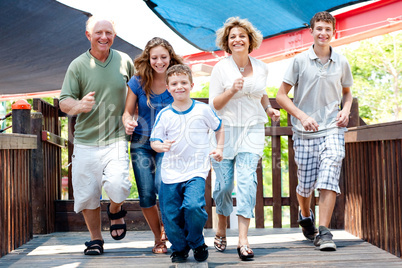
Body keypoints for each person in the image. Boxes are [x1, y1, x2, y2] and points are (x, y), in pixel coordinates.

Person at [276, 11, 353, 251]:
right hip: (304, 131)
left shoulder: (341, 61)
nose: (323, 33)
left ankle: (324, 232)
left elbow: (347, 92)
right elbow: (280, 96)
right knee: (306, 185)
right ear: (311, 31)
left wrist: (346, 109)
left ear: (333, 32)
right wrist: (302, 116)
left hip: (332, 128)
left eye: (328, 29)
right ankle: (305, 214)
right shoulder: (299, 61)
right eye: (319, 28)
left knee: (330, 171)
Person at [59, 16, 134, 255]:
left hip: (116, 138)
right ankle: (95, 239)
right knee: (88, 194)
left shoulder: (124, 60)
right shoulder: (78, 65)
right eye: (98, 32)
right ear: (88, 35)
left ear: (114, 35)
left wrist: (132, 115)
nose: (104, 37)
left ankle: (115, 209)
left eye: (109, 33)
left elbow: (136, 93)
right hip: (85, 140)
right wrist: (78, 105)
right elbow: (64, 101)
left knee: (119, 185)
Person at [209, 17, 280, 260]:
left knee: (248, 182)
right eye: (232, 37)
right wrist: (231, 90)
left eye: (242, 35)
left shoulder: (262, 67)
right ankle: (220, 227)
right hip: (224, 131)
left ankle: (243, 239)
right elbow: (214, 106)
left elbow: (261, 93)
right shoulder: (220, 68)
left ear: (250, 40)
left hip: (252, 129)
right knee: (224, 186)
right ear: (227, 43)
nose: (237, 39)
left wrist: (268, 108)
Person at [150, 64, 224, 263]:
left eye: (183, 82)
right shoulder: (164, 115)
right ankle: (180, 248)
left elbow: (219, 127)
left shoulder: (202, 109)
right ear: (168, 88)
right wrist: (160, 146)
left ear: (191, 84)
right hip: (170, 173)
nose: (179, 87)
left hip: (196, 171)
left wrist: (220, 148)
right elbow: (154, 141)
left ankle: (197, 242)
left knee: (193, 207)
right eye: (174, 83)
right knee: (171, 215)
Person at [122, 37, 183, 254]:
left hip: (167, 144)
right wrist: (128, 122)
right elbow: (127, 112)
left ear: (170, 57)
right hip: (141, 143)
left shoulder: (177, 79)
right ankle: (158, 239)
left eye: (163, 57)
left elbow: (185, 109)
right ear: (148, 58)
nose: (159, 62)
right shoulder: (137, 82)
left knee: (163, 186)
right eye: (154, 57)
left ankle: (168, 229)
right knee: (147, 194)